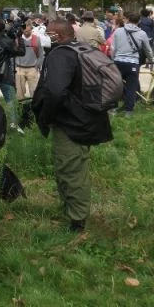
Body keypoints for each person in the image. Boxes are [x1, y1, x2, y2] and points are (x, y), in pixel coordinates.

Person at [32, 19, 113, 231]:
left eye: (49, 33)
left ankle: (77, 221)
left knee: (71, 171)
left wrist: (46, 116)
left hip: (71, 124)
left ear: (58, 35)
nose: (46, 37)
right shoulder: (81, 49)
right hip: (87, 118)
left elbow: (55, 91)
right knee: (70, 167)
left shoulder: (60, 55)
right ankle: (71, 209)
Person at [110, 12, 153, 115]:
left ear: (128, 19)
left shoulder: (118, 31)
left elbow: (113, 48)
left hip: (118, 62)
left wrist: (113, 59)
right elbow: (148, 50)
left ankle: (113, 108)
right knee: (131, 87)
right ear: (139, 21)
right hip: (132, 63)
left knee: (116, 86)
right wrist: (151, 59)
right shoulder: (142, 33)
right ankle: (128, 110)